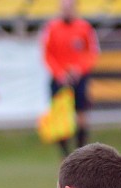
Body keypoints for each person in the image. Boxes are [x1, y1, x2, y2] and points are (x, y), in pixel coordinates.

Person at [41, 0, 100, 156]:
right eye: (64, 8)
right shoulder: (52, 28)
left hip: (79, 78)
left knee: (81, 115)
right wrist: (59, 72)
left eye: (69, 7)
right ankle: (64, 155)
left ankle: (80, 154)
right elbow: (47, 54)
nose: (66, 11)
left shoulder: (84, 28)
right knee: (60, 118)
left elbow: (91, 53)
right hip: (59, 79)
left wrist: (79, 70)